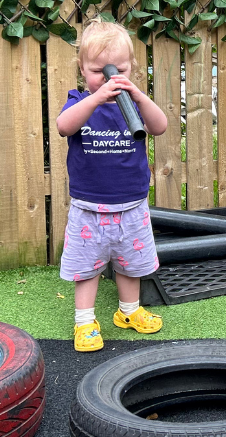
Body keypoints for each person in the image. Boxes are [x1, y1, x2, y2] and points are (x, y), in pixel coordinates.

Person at [56, 19, 169, 350]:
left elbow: (159, 127)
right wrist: (95, 97)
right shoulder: (78, 101)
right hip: (89, 207)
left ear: (131, 68)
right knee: (87, 269)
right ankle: (85, 322)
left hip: (132, 204)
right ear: (82, 70)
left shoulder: (134, 104)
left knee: (130, 264)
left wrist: (139, 96)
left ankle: (128, 312)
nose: (108, 78)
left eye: (117, 70)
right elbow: (64, 126)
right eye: (98, 71)